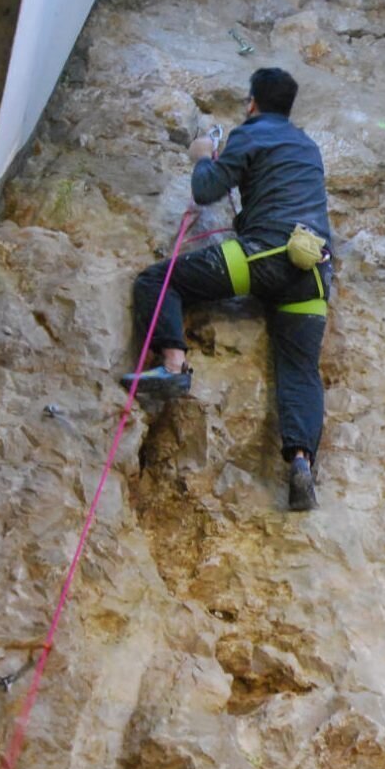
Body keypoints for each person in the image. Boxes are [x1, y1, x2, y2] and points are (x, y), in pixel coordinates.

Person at [124, 67, 334, 511]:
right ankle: (300, 462)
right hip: (313, 271)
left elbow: (205, 190)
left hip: (266, 256)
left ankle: (173, 367)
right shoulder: (308, 147)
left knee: (157, 279)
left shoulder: (251, 133)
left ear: (252, 102)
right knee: (299, 370)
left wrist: (204, 154)